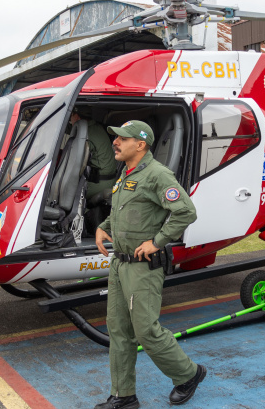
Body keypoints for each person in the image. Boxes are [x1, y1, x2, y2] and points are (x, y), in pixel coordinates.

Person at [94, 120, 206, 408]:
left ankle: (189, 374)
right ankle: (123, 396)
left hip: (142, 267)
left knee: (145, 330)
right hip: (119, 264)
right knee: (118, 330)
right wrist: (104, 227)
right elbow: (124, 210)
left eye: (122, 138)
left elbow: (186, 212)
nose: (115, 142)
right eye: (116, 138)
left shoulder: (158, 174)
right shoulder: (126, 173)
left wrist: (157, 241)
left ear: (140, 144)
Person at [70, 109, 117, 199]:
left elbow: (75, 163)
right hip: (110, 180)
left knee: (69, 195)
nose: (70, 119)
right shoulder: (96, 128)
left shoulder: (86, 134)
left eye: (71, 115)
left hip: (99, 184)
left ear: (76, 116)